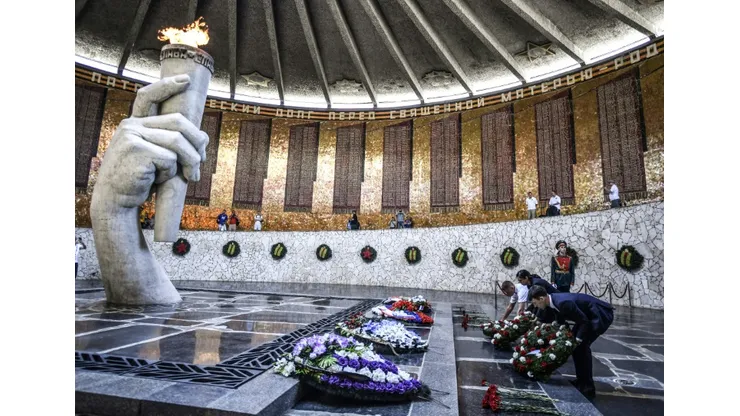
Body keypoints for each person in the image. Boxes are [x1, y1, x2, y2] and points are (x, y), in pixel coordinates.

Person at [529, 285, 614, 399]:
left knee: (582, 348)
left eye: (535, 303)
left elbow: (584, 322)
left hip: (598, 315)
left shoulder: (562, 302)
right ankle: (581, 381)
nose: (535, 306)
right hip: (586, 317)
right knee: (576, 348)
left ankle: (588, 387)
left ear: (541, 299)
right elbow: (561, 318)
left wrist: (578, 339)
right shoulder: (552, 300)